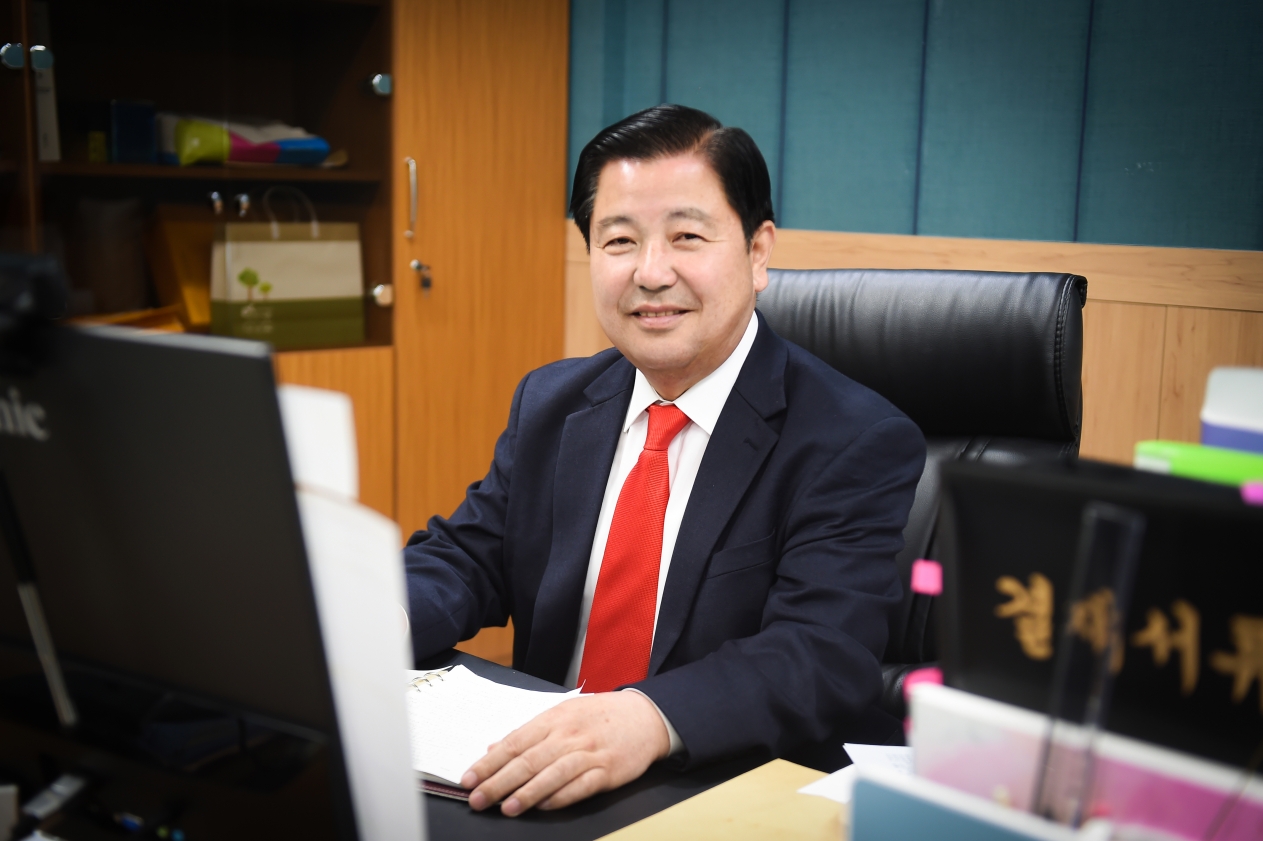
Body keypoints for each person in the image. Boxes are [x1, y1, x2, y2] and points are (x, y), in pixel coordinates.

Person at [403, 104, 926, 816]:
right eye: (619, 240)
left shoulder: (851, 437)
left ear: (758, 251)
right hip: (544, 782)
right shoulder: (552, 402)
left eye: (686, 237)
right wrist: (366, 620)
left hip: (723, 789)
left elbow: (818, 653)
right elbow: (467, 557)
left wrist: (648, 718)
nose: (650, 273)